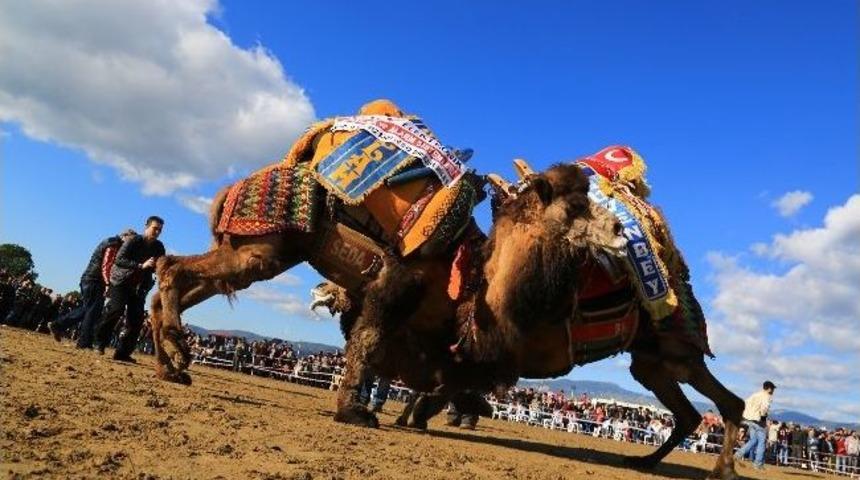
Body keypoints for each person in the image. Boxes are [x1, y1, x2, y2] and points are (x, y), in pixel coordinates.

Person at [48, 229, 136, 348]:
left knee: (88, 309)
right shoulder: (113, 245)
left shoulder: (111, 243)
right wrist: (107, 284)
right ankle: (83, 342)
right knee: (92, 311)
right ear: (124, 236)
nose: (130, 244)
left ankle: (58, 325)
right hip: (95, 280)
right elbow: (106, 265)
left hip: (90, 279)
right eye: (130, 240)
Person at [96, 216, 165, 362]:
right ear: (146, 226)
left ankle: (122, 353)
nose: (157, 232)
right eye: (155, 228)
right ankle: (100, 342)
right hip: (120, 281)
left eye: (159, 230)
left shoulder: (159, 247)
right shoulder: (133, 241)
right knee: (116, 310)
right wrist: (141, 265)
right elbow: (119, 260)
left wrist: (160, 270)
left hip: (139, 287)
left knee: (136, 320)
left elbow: (160, 265)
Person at [734, 380, 776, 470]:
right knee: (762, 442)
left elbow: (745, 402)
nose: (773, 391)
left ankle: (738, 454)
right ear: (769, 389)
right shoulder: (767, 396)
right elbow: (765, 408)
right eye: (772, 389)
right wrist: (763, 418)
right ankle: (758, 464)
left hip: (749, 420)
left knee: (753, 440)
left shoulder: (755, 394)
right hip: (759, 420)